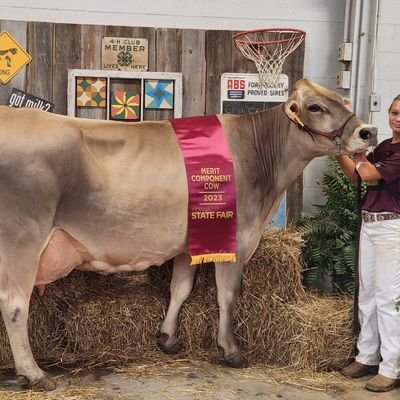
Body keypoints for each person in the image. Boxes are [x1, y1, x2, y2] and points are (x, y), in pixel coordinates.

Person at [336, 95, 400, 392]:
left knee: (388, 298)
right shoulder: (385, 146)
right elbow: (356, 177)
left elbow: (371, 174)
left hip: (391, 227)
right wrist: (338, 150)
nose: (397, 118)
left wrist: (357, 148)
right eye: (394, 112)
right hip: (370, 224)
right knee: (368, 295)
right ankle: (367, 356)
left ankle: (391, 368)